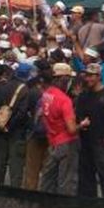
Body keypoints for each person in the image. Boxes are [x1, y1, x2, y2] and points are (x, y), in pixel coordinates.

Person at [38, 62, 85, 195]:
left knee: (48, 179)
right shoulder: (65, 100)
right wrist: (82, 125)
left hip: (53, 141)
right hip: (67, 143)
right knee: (67, 181)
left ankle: (45, 207)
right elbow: (71, 129)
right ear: (64, 79)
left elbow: (42, 116)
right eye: (69, 79)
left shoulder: (46, 94)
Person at [75, 62, 104, 199]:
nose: (88, 79)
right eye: (87, 76)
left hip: (101, 142)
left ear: (99, 76)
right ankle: (90, 207)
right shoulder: (83, 96)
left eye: (91, 76)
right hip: (85, 141)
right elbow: (78, 114)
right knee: (86, 177)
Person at [0, 61, 36, 186]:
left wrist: (3, 124)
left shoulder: (5, 85)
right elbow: (22, 113)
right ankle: (15, 189)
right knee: (16, 163)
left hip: (1, 126)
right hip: (16, 130)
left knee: (0, 160)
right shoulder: (25, 90)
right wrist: (10, 126)